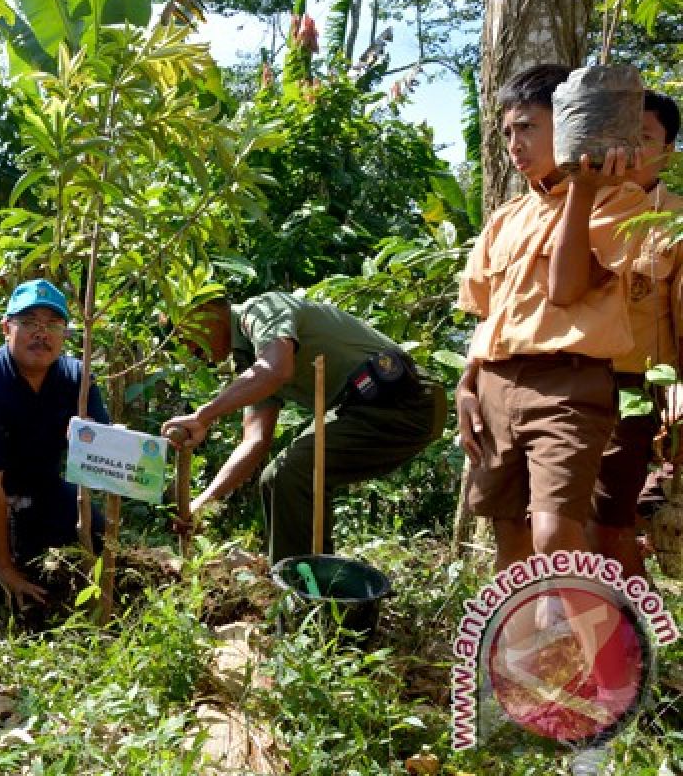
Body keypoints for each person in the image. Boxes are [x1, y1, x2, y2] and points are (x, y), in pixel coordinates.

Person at [455, 63, 650, 571]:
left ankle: (603, 646)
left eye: (528, 127)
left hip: (568, 384)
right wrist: (466, 385)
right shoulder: (506, 218)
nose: (514, 145)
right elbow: (486, 312)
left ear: (565, 122)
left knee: (555, 537)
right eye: (507, 133)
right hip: (497, 384)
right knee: (510, 542)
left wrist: (581, 190)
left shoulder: (619, 202)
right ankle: (525, 650)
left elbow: (566, 290)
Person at [160, 292, 446, 563]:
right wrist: (204, 502)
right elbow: (254, 442)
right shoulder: (251, 361)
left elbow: (276, 369)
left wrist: (203, 416)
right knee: (279, 476)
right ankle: (313, 587)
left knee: (290, 472)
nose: (187, 350)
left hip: (408, 399)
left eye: (183, 336)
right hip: (367, 407)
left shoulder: (262, 311)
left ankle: (302, 592)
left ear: (206, 312)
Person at [0, 279, 108, 607]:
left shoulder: (78, 378)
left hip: (39, 487)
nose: (41, 333)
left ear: (65, 334)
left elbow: (105, 453)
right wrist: (6, 570)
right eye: (29, 323)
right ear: (6, 328)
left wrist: (92, 439)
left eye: (52, 324)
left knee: (98, 531)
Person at [590, 89, 683, 579]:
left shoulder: (676, 219)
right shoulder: (578, 206)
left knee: (610, 517)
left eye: (644, 138)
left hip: (634, 384)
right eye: (622, 136)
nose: (628, 149)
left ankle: (633, 632)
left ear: (668, 150)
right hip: (562, 377)